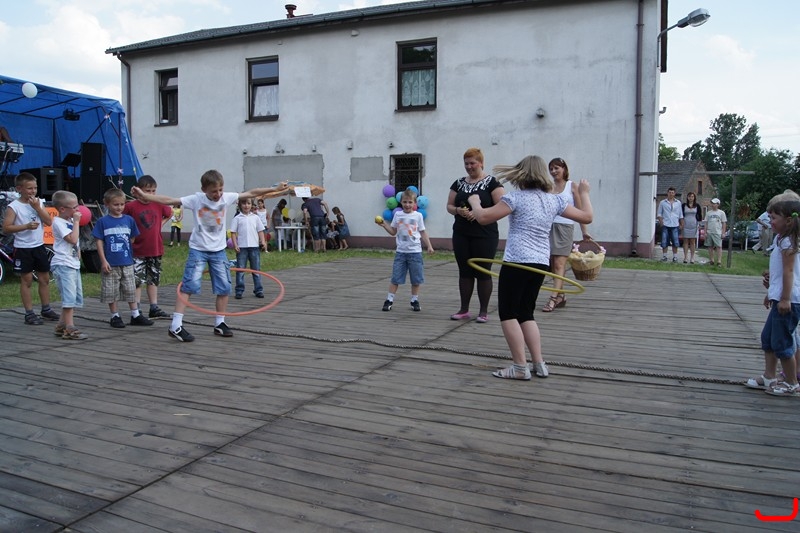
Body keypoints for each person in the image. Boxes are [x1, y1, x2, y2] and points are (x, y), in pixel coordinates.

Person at [468, 155, 593, 380]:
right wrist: (584, 193)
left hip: (517, 261)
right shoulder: (554, 200)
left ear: (522, 174)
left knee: (508, 313)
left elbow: (484, 218)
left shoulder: (515, 198)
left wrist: (475, 202)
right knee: (526, 313)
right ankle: (539, 364)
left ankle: (519, 367)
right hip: (539, 263)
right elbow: (587, 217)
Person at [130, 170, 288, 342]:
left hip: (219, 251)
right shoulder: (196, 199)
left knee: (224, 287)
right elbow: (169, 200)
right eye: (214, 191)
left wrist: (276, 189)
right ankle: (175, 325)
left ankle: (220, 323)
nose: (218, 194)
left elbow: (252, 192)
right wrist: (144, 195)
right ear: (204, 189)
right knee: (188, 286)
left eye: (220, 189)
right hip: (198, 250)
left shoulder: (226, 198)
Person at [744, 192, 800, 396]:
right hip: (780, 297)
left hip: (789, 301)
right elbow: (780, 272)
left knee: (782, 342)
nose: (770, 221)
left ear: (788, 221)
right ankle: (769, 375)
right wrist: (772, 293)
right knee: (768, 337)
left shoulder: (789, 243)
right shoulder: (780, 239)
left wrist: (784, 298)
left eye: (773, 218)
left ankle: (792, 383)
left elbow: (789, 271)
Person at [446, 147, 505, 322]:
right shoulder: (458, 183)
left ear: (481, 163)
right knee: (464, 271)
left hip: (485, 234)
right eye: (466, 164)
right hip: (461, 233)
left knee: (483, 271)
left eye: (472, 163)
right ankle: (464, 309)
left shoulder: (492, 183)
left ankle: (483, 312)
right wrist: (458, 210)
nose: (469, 167)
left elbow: (502, 207)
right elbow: (449, 206)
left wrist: (480, 212)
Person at [1, 172, 59, 325]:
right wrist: (25, 226)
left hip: (38, 246)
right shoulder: (14, 207)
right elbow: (6, 228)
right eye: (29, 188)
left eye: (35, 188)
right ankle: (29, 313)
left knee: (44, 279)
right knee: (26, 280)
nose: (33, 191)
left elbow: (48, 222)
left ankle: (46, 309)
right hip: (23, 248)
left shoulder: (38, 203)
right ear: (19, 189)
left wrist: (38, 208)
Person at [93, 188, 154, 329]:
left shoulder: (129, 220)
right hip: (110, 263)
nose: (119, 207)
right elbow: (99, 241)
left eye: (122, 204)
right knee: (111, 289)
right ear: (107, 204)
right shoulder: (103, 222)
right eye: (116, 204)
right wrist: (103, 260)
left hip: (127, 262)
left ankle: (135, 314)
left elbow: (132, 238)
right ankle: (115, 316)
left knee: (130, 288)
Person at [542, 157, 591, 312]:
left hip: (565, 228)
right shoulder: (547, 186)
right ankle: (561, 295)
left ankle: (553, 298)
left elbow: (580, 210)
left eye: (557, 168)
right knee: (552, 264)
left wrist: (584, 232)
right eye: (551, 169)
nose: (553, 171)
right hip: (548, 228)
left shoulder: (572, 186)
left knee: (559, 264)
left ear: (564, 169)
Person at [123, 175, 174, 319]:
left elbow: (169, 213)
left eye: (153, 191)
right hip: (137, 250)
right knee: (137, 280)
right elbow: (122, 219)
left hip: (155, 248)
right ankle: (137, 309)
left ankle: (154, 307)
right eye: (147, 191)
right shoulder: (131, 206)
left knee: (153, 278)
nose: (151, 194)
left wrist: (160, 224)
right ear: (139, 190)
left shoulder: (158, 204)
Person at [375, 189, 434, 312]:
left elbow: (423, 232)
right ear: (401, 202)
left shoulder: (418, 216)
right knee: (395, 278)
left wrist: (429, 245)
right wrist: (384, 225)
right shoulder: (398, 215)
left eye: (410, 202)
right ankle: (389, 300)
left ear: (414, 203)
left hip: (415, 252)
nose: (407, 205)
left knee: (416, 279)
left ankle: (414, 300)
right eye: (405, 202)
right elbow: (393, 232)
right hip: (401, 253)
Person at [50, 190, 88, 340]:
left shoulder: (69, 221)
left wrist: (78, 253)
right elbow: (72, 239)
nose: (77, 210)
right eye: (74, 207)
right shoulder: (58, 223)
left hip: (73, 263)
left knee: (74, 296)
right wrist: (77, 222)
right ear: (62, 209)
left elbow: (75, 242)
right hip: (63, 264)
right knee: (69, 297)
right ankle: (69, 328)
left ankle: (61, 325)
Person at [230, 197, 267, 299]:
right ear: (240, 205)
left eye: (248, 203)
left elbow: (260, 230)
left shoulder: (255, 218)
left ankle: (258, 290)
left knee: (256, 270)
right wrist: (235, 245)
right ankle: (239, 290)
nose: (246, 206)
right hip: (242, 248)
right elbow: (233, 233)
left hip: (254, 247)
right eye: (244, 203)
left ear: (252, 205)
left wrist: (263, 242)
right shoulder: (237, 218)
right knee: (240, 270)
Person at [657, 186, 683, 262]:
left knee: (675, 241)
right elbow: (659, 213)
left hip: (675, 224)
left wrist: (681, 224)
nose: (671, 194)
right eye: (670, 192)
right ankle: (664, 256)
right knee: (664, 241)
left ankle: (675, 257)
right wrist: (661, 222)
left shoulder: (678, 203)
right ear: (667, 193)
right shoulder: (662, 203)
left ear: (674, 194)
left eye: (672, 193)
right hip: (666, 224)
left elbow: (680, 214)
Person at [704, 198, 727, 266]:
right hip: (709, 232)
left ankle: (719, 261)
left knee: (719, 246)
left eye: (714, 203)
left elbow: (724, 223)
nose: (713, 205)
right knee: (710, 246)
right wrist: (705, 232)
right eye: (712, 203)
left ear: (718, 204)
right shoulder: (708, 213)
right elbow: (706, 223)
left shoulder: (721, 213)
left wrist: (723, 233)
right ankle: (711, 260)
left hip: (718, 232)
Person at [681, 192, 702, 264]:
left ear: (694, 198)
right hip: (685, 225)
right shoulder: (684, 205)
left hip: (694, 225)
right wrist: (681, 224)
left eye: (692, 196)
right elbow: (681, 215)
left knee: (692, 242)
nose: (691, 198)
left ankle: (692, 258)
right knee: (685, 241)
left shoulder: (697, 206)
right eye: (689, 196)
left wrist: (699, 224)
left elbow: (700, 216)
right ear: (687, 197)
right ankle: (685, 257)